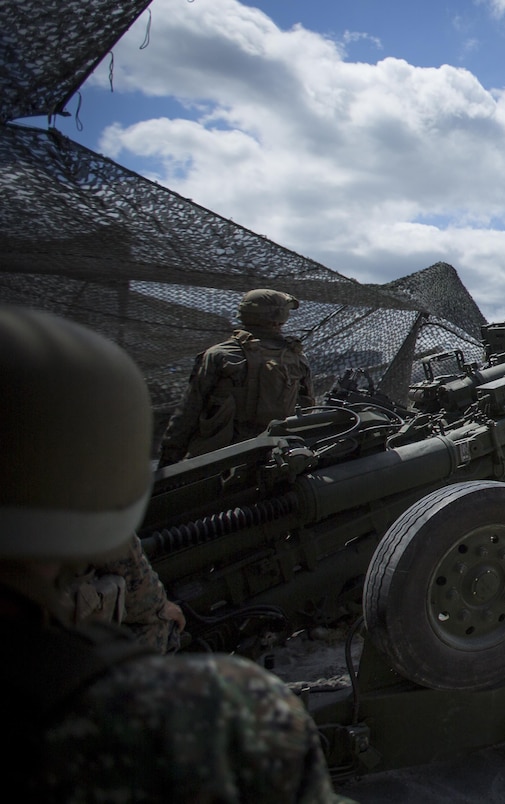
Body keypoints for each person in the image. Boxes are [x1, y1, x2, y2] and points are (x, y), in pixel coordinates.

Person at [0, 305, 348, 802]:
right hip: (272, 468)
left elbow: (188, 413)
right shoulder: (211, 715)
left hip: (213, 470)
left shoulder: (219, 355)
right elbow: (310, 414)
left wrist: (171, 461)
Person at [158, 288, 315, 466]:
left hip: (217, 457)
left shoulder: (219, 355)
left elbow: (190, 410)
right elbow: (307, 409)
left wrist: (169, 456)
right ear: (280, 317)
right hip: (274, 456)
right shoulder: (296, 358)